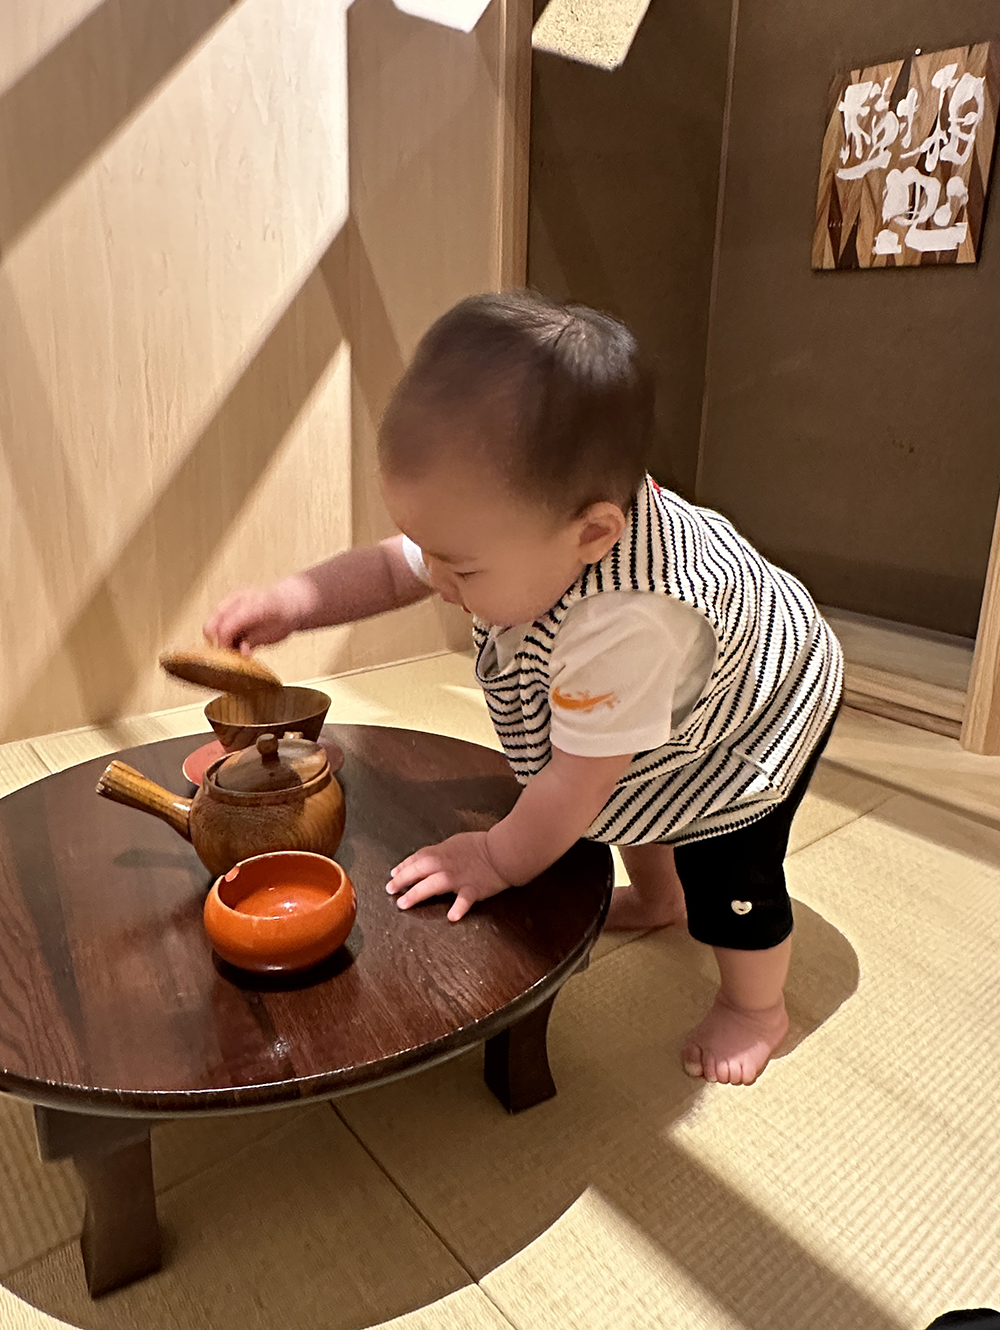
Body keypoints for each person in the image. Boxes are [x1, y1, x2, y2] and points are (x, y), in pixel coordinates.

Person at [205, 291, 843, 1086]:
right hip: (661, 694)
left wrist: (496, 856)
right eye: (429, 549)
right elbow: (390, 568)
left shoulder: (626, 625)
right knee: (637, 781)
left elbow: (576, 785)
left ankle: (757, 1007)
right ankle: (660, 898)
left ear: (593, 534)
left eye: (462, 569)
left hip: (763, 711)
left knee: (726, 861)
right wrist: (294, 601)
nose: (436, 579)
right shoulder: (513, 523)